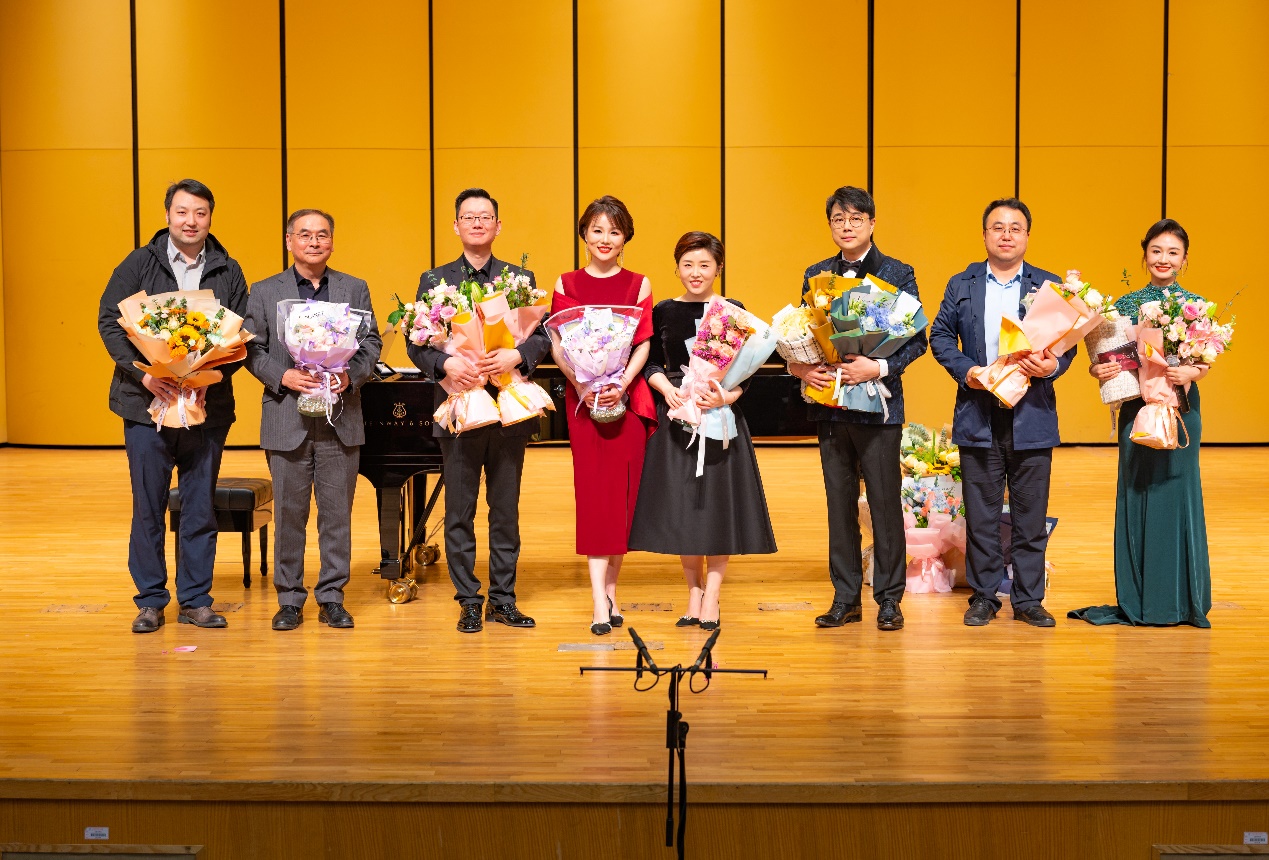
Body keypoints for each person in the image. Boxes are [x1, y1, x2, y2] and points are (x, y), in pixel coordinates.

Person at [97, 178, 248, 633]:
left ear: (210, 218)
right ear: (167, 216)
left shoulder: (227, 268)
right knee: (149, 505)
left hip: (207, 410)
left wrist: (210, 377)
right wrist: (143, 373)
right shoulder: (139, 263)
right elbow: (110, 321)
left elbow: (241, 334)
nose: (191, 221)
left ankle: (196, 600)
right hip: (146, 406)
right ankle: (150, 601)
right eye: (182, 212)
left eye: (200, 213)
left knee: (199, 507)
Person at [407, 188, 549, 633]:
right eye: (468, 216)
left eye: (485, 216)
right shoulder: (435, 280)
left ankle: (503, 599)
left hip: (508, 410)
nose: (477, 222)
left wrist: (518, 355)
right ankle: (468, 599)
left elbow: (543, 335)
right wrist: (444, 364)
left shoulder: (519, 278)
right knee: (459, 512)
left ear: (497, 226)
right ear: (456, 225)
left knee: (505, 511)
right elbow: (417, 341)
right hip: (460, 407)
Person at [787, 186, 927, 632]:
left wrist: (878, 366)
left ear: (871, 223)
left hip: (879, 407)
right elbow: (803, 334)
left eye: (855, 219)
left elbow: (916, 340)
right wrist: (800, 367)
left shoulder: (897, 272)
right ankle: (845, 598)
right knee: (839, 505)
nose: (846, 226)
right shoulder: (817, 274)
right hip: (831, 406)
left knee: (884, 505)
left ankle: (889, 599)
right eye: (838, 219)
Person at [928, 198, 1069, 628]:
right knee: (982, 516)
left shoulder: (1048, 285)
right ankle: (984, 596)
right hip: (979, 410)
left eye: (1015, 228)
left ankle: (1028, 599)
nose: (1006, 235)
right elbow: (940, 335)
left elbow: (1067, 344)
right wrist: (968, 371)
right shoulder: (962, 283)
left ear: (1027, 236)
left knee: (1030, 516)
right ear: (985, 234)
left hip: (1032, 413)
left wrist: (1053, 365)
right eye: (998, 227)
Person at [628, 232, 777, 630]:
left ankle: (712, 595)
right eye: (688, 265)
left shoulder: (732, 310)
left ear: (719, 268)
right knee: (686, 509)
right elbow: (649, 363)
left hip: (720, 417)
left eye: (705, 265)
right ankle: (693, 591)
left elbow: (749, 372)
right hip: (678, 416)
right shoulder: (663, 310)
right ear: (677, 268)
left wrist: (725, 396)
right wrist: (667, 390)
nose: (696, 273)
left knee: (717, 508)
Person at [1071, 220, 1212, 627]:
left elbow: (1205, 358)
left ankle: (1181, 601)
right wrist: (1097, 370)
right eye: (1156, 251)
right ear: (1145, 254)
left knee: (1177, 495)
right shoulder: (1125, 305)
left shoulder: (1197, 307)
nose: (1163, 259)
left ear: (1184, 259)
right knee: (1137, 493)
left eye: (1173, 252)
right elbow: (1110, 357)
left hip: (1181, 409)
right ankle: (1139, 597)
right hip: (1137, 409)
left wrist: (1192, 372)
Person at [244, 208, 381, 631]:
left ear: (332, 242)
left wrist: (350, 375)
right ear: (290, 241)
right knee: (289, 514)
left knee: (337, 515)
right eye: (305, 235)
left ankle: (332, 596)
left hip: (341, 417)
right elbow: (250, 348)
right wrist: (281, 375)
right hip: (287, 416)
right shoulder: (264, 291)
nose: (314, 241)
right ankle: (289, 599)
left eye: (322, 234)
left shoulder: (354, 288)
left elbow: (371, 343)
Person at [550, 195, 656, 636]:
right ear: (584, 235)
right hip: (584, 403)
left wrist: (622, 383)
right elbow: (558, 344)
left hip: (626, 403)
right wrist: (582, 386)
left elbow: (643, 343)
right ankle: (598, 601)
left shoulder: (639, 285)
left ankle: (611, 592)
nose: (605, 238)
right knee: (595, 498)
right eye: (597, 230)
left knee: (622, 501)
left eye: (614, 231)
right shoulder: (567, 283)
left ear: (625, 236)